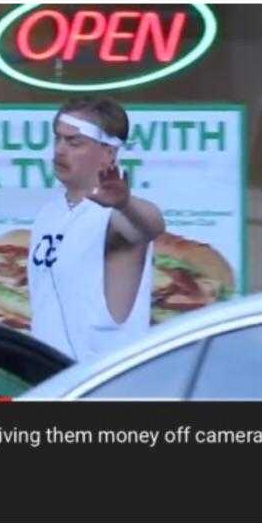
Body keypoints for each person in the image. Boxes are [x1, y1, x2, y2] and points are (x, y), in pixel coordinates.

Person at [28, 98, 164, 362]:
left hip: (104, 382)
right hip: (49, 377)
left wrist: (125, 203)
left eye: (74, 142)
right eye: (58, 139)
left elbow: (151, 226)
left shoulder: (113, 216)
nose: (60, 150)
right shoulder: (48, 214)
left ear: (108, 153)